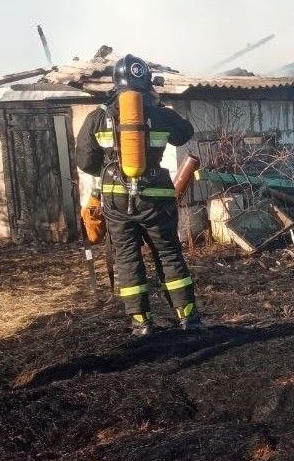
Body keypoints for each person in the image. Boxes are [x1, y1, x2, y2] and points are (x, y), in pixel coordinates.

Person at [76, 54, 201, 335]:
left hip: (116, 199)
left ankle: (141, 323)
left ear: (115, 82)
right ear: (146, 81)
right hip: (155, 197)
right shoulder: (159, 112)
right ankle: (187, 318)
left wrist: (110, 168)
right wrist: (158, 105)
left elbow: (84, 161)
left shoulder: (99, 116)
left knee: (127, 257)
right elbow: (184, 134)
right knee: (168, 254)